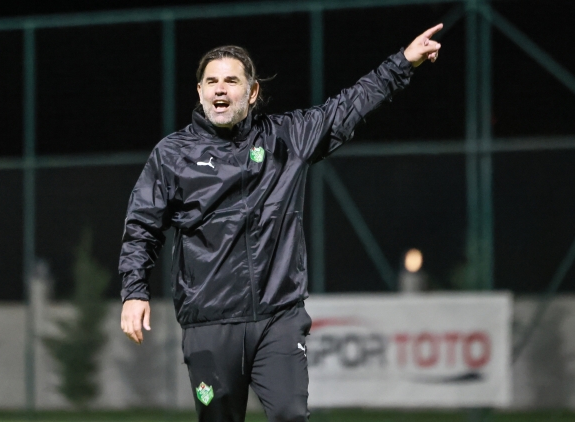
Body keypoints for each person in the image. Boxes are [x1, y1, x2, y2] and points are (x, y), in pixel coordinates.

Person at [119, 23, 443, 422]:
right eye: (212, 82)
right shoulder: (172, 154)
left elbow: (347, 107)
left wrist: (403, 62)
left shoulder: (285, 139)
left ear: (252, 92)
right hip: (209, 323)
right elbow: (142, 225)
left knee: (291, 414)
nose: (220, 89)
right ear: (199, 91)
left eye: (231, 81)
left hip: (279, 318)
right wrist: (134, 291)